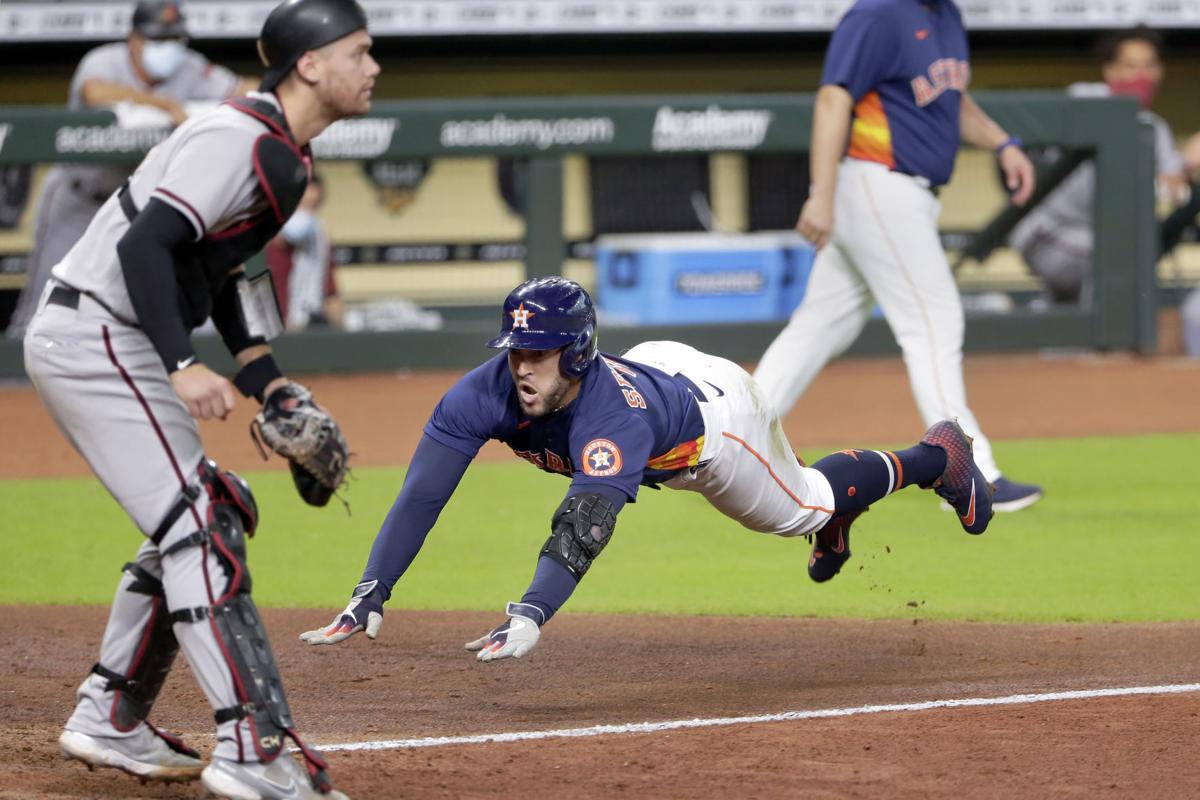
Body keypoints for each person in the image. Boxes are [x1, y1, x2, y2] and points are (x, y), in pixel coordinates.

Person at [23, 0, 378, 797]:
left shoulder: (282, 154)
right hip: (98, 333)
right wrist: (184, 364)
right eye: (360, 52)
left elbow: (216, 274)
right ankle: (253, 750)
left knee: (214, 506)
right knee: (201, 524)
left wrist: (269, 382)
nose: (374, 67)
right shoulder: (240, 138)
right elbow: (148, 243)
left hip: (108, 333)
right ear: (311, 64)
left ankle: (110, 712)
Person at [299, 276, 993, 661]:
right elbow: (424, 494)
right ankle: (851, 510)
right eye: (515, 351)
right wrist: (371, 590)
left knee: (805, 504)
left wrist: (533, 611)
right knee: (809, 501)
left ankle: (937, 457)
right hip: (661, 366)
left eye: (537, 354)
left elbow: (582, 527)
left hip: (718, 426)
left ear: (574, 355)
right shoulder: (483, 391)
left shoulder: (612, 423)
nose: (520, 367)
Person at [752, 0, 1043, 513]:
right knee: (933, 320)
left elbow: (949, 101)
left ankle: (724, 437)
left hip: (899, 193)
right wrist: (821, 191)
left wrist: (1002, 143)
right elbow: (831, 99)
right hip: (876, 182)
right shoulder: (878, 14)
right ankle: (971, 471)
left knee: (819, 326)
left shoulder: (946, 16)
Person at [6, 0, 257, 340]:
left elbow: (246, 90)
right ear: (134, 39)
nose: (167, 47)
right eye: (157, 39)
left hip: (138, 210)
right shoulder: (104, 59)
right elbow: (94, 92)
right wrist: (164, 104)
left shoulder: (191, 67)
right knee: (43, 300)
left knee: (141, 305)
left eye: (174, 38)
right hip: (81, 200)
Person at [1009, 26, 1198, 306]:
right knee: (1122, 256)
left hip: (1095, 241)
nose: (1141, 76)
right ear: (1111, 71)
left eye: (1149, 66)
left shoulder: (1156, 129)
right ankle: (1102, 340)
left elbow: (1174, 192)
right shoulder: (1087, 98)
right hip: (1049, 231)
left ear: (1161, 71)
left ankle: (1063, 326)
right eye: (1131, 66)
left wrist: (1187, 166)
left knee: (1115, 258)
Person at [266, 171, 344, 330]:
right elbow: (276, 275)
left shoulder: (320, 231)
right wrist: (282, 318)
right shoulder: (276, 230)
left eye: (313, 205)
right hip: (286, 321)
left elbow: (329, 286)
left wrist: (339, 321)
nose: (306, 213)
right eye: (302, 205)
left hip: (314, 317)